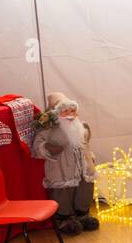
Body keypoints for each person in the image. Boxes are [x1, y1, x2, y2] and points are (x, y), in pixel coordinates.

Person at [31, 92, 99, 235]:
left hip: (84, 168)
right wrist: (48, 148)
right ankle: (64, 220)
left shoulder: (82, 126)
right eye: (65, 111)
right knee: (63, 193)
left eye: (72, 110)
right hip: (61, 168)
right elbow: (37, 146)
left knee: (84, 190)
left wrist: (91, 159)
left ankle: (83, 215)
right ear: (56, 113)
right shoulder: (48, 130)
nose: (69, 114)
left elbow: (87, 143)